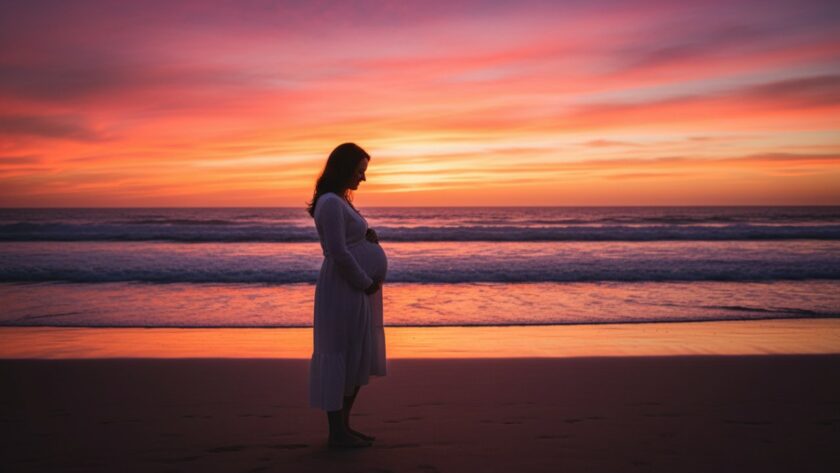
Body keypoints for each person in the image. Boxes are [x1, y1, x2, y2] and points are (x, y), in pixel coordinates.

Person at [306, 143, 387, 448]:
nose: (363, 179)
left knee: (355, 355)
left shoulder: (340, 201)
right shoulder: (329, 203)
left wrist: (368, 238)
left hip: (355, 288)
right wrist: (365, 281)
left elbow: (348, 242)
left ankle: (344, 427)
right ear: (344, 168)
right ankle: (336, 433)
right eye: (360, 171)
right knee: (340, 354)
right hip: (343, 288)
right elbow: (337, 252)